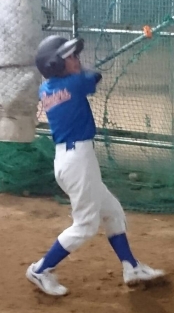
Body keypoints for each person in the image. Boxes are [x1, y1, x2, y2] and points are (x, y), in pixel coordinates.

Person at [26, 35, 165, 296]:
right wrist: (82, 70)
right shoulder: (75, 83)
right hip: (77, 161)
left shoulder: (45, 89)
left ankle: (131, 266)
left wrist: (68, 65)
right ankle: (41, 269)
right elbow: (94, 77)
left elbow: (85, 77)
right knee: (86, 225)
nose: (76, 60)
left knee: (112, 212)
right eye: (70, 57)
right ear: (56, 65)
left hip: (72, 160)